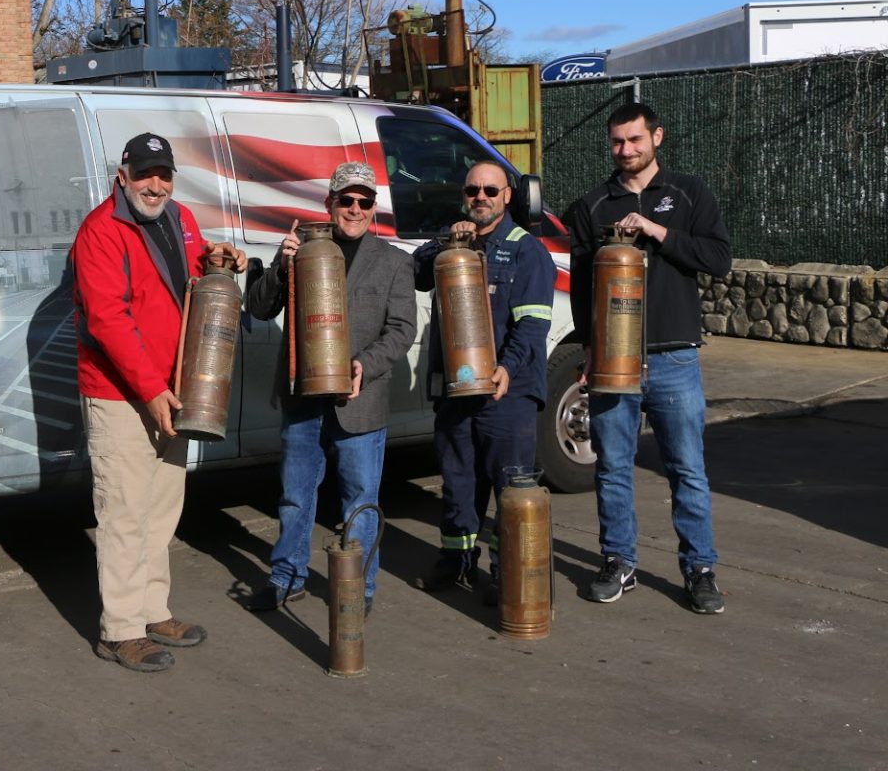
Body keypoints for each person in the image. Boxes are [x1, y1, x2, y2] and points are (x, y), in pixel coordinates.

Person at [72, 131, 247, 672]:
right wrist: (151, 391)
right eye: (145, 173)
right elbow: (109, 321)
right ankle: (120, 629)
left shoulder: (182, 219)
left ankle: (152, 610)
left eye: (164, 174)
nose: (156, 184)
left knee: (161, 507)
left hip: (173, 390)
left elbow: (194, 273)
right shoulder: (100, 232)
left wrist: (222, 259)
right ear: (122, 176)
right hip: (123, 394)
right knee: (124, 512)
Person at [566, 102, 732, 614]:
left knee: (687, 469)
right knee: (613, 467)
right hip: (613, 362)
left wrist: (659, 233)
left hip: (674, 357)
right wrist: (589, 353)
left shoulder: (688, 194)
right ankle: (619, 562)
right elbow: (579, 290)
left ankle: (700, 569)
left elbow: (718, 259)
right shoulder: (592, 205)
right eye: (617, 142)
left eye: (635, 140)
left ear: (656, 136)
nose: (626, 150)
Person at [243, 162, 416, 618]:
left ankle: (359, 587)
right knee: (295, 495)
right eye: (346, 200)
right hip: (304, 399)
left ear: (373, 208)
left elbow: (401, 330)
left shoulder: (395, 262)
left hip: (360, 399)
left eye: (364, 201)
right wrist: (281, 267)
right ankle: (287, 577)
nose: (355, 209)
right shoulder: (301, 250)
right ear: (329, 204)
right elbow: (259, 308)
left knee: (361, 500)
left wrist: (366, 365)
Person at [411, 159, 556, 604]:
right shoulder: (455, 245)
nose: (480, 198)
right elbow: (415, 274)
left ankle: (506, 571)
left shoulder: (527, 250)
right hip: (458, 391)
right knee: (458, 480)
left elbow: (532, 325)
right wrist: (446, 241)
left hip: (505, 393)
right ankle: (457, 560)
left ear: (507, 196)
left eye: (490, 191)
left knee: (509, 486)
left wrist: (506, 368)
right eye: (472, 190)